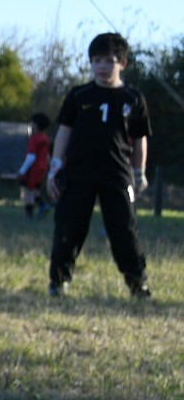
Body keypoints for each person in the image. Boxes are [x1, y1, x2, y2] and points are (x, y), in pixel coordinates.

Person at [46, 33, 151, 299]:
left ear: (123, 63)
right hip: (78, 172)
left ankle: (137, 282)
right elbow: (64, 132)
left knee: (124, 228)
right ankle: (58, 281)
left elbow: (139, 140)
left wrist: (139, 173)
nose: (102, 66)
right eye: (97, 60)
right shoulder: (79, 95)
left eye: (109, 61)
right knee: (69, 226)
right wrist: (55, 166)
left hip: (117, 174)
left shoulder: (133, 98)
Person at [17, 112, 53, 219]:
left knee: (28, 191)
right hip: (42, 168)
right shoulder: (46, 139)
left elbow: (31, 157)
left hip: (33, 169)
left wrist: (22, 171)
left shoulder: (34, 138)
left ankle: (29, 216)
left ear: (36, 125)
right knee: (34, 190)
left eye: (31, 123)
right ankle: (43, 205)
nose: (30, 125)